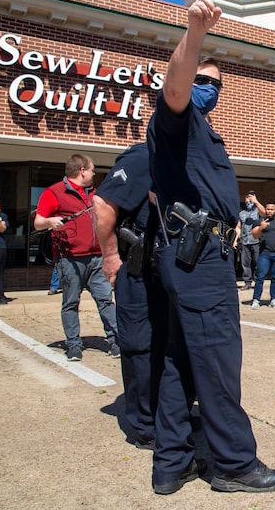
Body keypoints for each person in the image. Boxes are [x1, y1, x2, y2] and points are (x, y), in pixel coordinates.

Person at [145, 0, 275, 494]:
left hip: (194, 256)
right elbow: (176, 86)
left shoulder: (203, 132)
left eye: (218, 83)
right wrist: (194, 32)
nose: (212, 87)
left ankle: (173, 462)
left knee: (183, 361)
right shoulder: (175, 119)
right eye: (207, 78)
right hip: (199, 258)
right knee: (220, 361)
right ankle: (233, 464)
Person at [93, 141, 165, 450]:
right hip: (138, 269)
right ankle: (145, 425)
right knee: (141, 346)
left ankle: (170, 416)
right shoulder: (145, 154)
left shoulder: (181, 154)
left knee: (168, 345)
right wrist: (110, 257)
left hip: (169, 272)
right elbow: (104, 204)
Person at [34, 154, 119, 361]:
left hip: (97, 257)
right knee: (71, 302)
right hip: (69, 258)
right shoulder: (54, 192)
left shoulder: (96, 194)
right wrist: (51, 221)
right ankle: (74, 344)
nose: (94, 173)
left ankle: (116, 341)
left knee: (106, 301)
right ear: (82, 170)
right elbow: (38, 223)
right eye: (92, 169)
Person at [238, 191, 265, 289]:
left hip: (256, 241)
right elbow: (238, 227)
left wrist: (256, 202)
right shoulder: (242, 213)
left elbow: (264, 213)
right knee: (245, 262)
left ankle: (258, 281)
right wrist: (235, 240)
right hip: (245, 240)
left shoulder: (257, 211)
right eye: (247, 202)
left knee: (257, 262)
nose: (248, 203)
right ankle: (247, 282)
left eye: (250, 201)